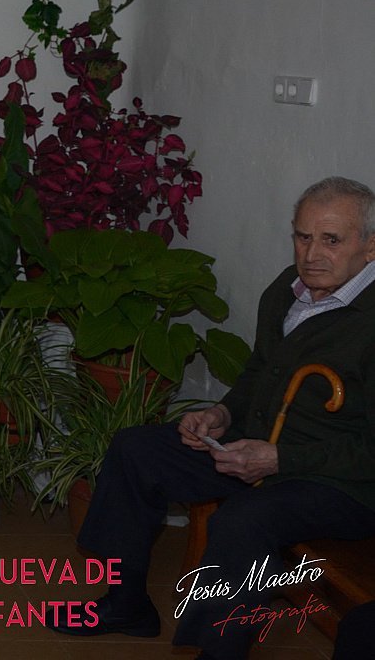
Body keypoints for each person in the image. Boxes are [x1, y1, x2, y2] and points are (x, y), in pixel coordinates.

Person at [53, 176, 375, 659]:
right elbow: (259, 371)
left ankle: (219, 653)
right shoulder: (287, 291)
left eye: (331, 240)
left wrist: (279, 458)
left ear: (370, 247)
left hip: (341, 483)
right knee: (137, 449)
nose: (311, 254)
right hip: (257, 446)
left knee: (243, 520)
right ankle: (125, 604)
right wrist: (222, 413)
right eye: (303, 236)